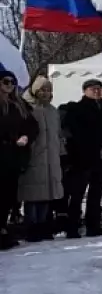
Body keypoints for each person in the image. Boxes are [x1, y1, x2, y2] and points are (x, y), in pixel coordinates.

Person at [63, 79, 102, 238]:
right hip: (82, 158)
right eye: (93, 89)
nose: (97, 91)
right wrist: (95, 149)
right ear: (85, 90)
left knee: (96, 193)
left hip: (100, 159)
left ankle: (93, 225)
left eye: (99, 88)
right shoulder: (77, 108)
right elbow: (76, 135)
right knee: (78, 194)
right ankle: (72, 227)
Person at [19, 76, 63, 242]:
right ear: (35, 91)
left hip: (51, 157)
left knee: (46, 195)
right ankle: (31, 227)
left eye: (48, 90)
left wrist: (61, 152)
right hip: (34, 157)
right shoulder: (27, 108)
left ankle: (43, 226)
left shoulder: (52, 110)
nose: (45, 93)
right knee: (32, 196)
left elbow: (57, 134)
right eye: (42, 89)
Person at [1, 70, 37, 249]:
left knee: (9, 195)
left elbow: (32, 125)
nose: (9, 86)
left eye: (12, 83)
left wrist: (26, 136)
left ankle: (3, 228)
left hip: (14, 155)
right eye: (6, 82)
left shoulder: (19, 104)